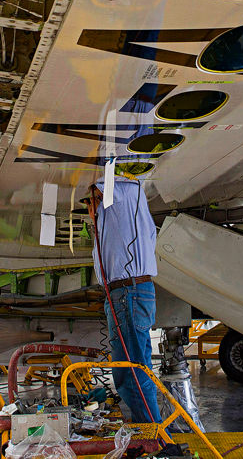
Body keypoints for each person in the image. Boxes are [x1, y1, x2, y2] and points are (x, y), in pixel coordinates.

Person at [89, 175, 161, 425]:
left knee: (130, 376)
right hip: (130, 293)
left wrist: (100, 193)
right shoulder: (128, 207)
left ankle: (154, 436)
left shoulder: (125, 193)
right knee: (137, 369)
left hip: (127, 294)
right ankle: (153, 431)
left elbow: (109, 178)